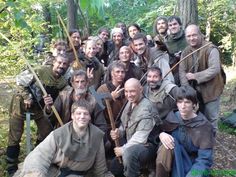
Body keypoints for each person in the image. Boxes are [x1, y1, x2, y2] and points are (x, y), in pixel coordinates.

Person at [6, 54, 70, 176]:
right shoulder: (40, 70)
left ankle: (37, 160)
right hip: (21, 104)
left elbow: (69, 91)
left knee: (46, 133)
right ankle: (11, 168)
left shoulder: (62, 81)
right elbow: (20, 80)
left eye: (64, 64)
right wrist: (26, 97)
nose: (61, 66)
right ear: (54, 63)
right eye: (59, 63)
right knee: (15, 135)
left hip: (39, 107)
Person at [18, 102, 107, 177]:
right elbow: (39, 155)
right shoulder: (59, 134)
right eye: (79, 113)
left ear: (90, 117)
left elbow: (100, 167)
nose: (82, 116)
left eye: (86, 114)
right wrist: (36, 173)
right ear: (72, 116)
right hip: (55, 171)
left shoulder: (97, 136)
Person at [156, 85, 214, 177]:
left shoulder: (204, 126)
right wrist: (162, 134)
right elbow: (159, 131)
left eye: (187, 102)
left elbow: (204, 159)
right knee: (164, 147)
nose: (183, 106)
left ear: (194, 104)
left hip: (193, 163)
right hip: (174, 159)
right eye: (180, 102)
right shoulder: (173, 117)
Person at [109, 78, 161, 177]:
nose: (129, 95)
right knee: (115, 167)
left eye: (132, 91)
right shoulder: (130, 102)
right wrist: (118, 132)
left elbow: (140, 138)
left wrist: (123, 150)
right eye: (126, 91)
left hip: (147, 146)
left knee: (129, 154)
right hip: (131, 143)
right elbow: (124, 125)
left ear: (140, 89)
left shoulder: (147, 108)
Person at [179, 24, 225, 132]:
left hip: (211, 90)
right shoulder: (185, 52)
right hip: (194, 91)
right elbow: (182, 71)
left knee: (211, 118)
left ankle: (210, 144)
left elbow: (215, 69)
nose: (191, 38)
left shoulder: (211, 49)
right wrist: (187, 89)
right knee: (197, 117)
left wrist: (195, 76)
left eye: (194, 35)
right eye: (189, 36)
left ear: (200, 35)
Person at [97, 61, 127, 156]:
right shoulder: (103, 88)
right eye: (117, 72)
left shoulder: (127, 88)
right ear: (112, 73)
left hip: (121, 127)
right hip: (106, 126)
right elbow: (97, 107)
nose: (120, 74)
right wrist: (110, 97)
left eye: (122, 72)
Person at [165, 16, 188, 85]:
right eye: (170, 25)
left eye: (175, 24)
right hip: (175, 72)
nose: (173, 27)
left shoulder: (187, 36)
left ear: (180, 25)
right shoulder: (167, 42)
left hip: (189, 68)